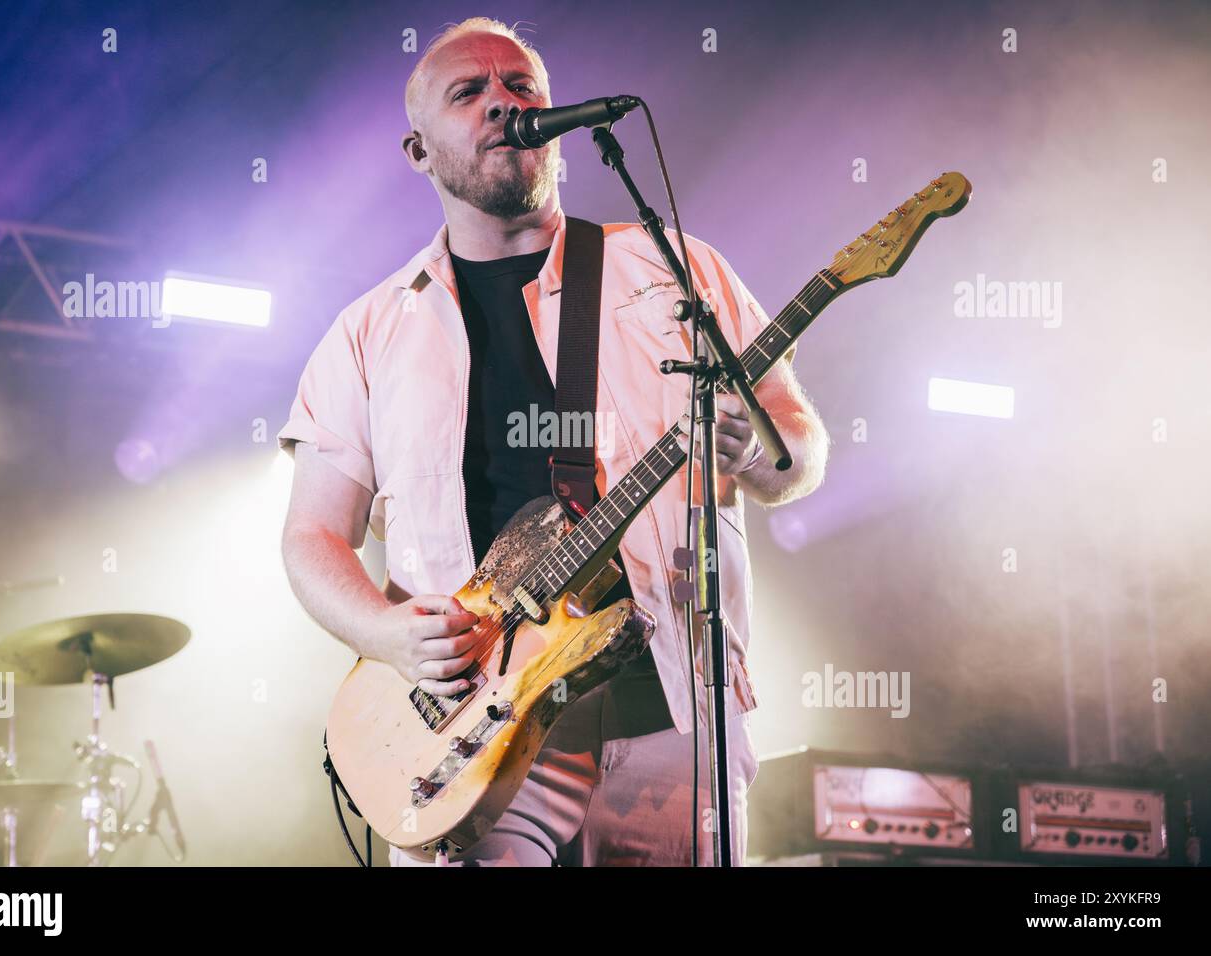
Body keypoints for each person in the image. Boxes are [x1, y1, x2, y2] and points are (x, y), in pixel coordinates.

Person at [279, 17, 828, 866]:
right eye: (471, 92)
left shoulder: (672, 270)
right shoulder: (370, 331)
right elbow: (313, 534)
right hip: (472, 724)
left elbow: (796, 448)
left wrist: (751, 452)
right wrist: (384, 636)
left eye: (521, 86)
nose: (505, 103)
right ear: (419, 151)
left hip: (671, 707)